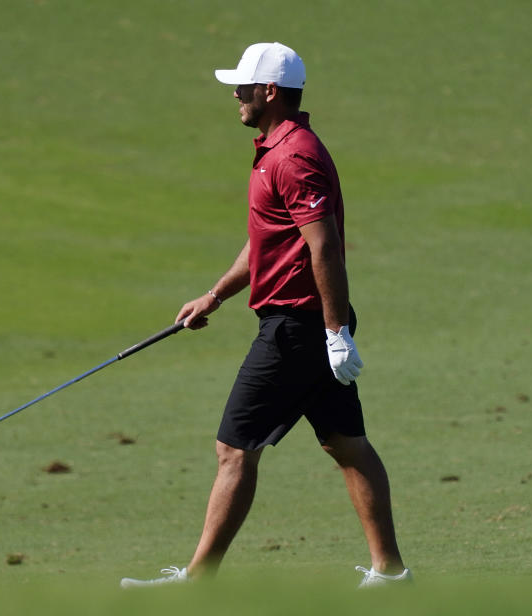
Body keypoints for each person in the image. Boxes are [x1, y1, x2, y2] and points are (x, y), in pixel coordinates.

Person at [120, 42, 410, 588]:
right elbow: (268, 243)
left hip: (296, 327)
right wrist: (216, 295)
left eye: (243, 86)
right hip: (304, 324)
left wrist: (334, 332)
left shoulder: (293, 156)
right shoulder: (277, 148)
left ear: (270, 91)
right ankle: (391, 574)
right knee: (345, 443)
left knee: (234, 448)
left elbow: (322, 248)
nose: (235, 94)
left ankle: (199, 583)